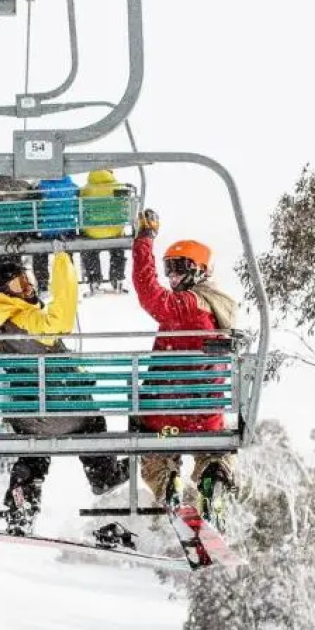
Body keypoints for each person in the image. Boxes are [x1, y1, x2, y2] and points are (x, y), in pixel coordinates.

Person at [0, 250, 127, 537]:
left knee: (33, 453)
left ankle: (22, 501)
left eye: (28, 279)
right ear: (5, 291)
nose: (29, 287)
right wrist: (62, 262)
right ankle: (103, 475)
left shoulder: (1, 320)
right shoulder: (25, 317)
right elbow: (61, 319)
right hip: (64, 410)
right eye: (19, 284)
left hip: (27, 415)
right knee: (93, 423)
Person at [131, 208, 239, 524]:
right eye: (168, 268)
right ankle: (213, 480)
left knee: (154, 460)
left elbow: (149, 293)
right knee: (215, 452)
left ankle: (169, 486)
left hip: (168, 414)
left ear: (199, 270)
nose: (172, 276)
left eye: (179, 268)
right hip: (205, 416)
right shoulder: (218, 309)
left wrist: (144, 241)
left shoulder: (189, 304)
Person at [78, 169, 131, 293]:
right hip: (114, 229)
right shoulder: (118, 187)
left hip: (93, 231)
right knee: (117, 247)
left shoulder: (86, 190)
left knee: (90, 249)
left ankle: (94, 278)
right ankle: (117, 278)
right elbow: (125, 208)